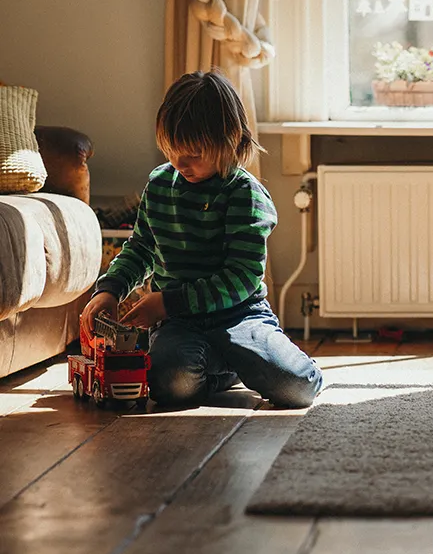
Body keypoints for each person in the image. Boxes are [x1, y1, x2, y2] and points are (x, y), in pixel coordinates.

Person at [81, 70, 323, 409]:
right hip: (181, 324)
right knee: (169, 385)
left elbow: (242, 276)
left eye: (194, 153)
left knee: (297, 388)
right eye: (171, 150)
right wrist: (110, 289)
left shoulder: (244, 194)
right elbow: (141, 248)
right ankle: (228, 366)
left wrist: (168, 301)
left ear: (230, 140)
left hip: (241, 315)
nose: (180, 163)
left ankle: (244, 360)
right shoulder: (161, 185)